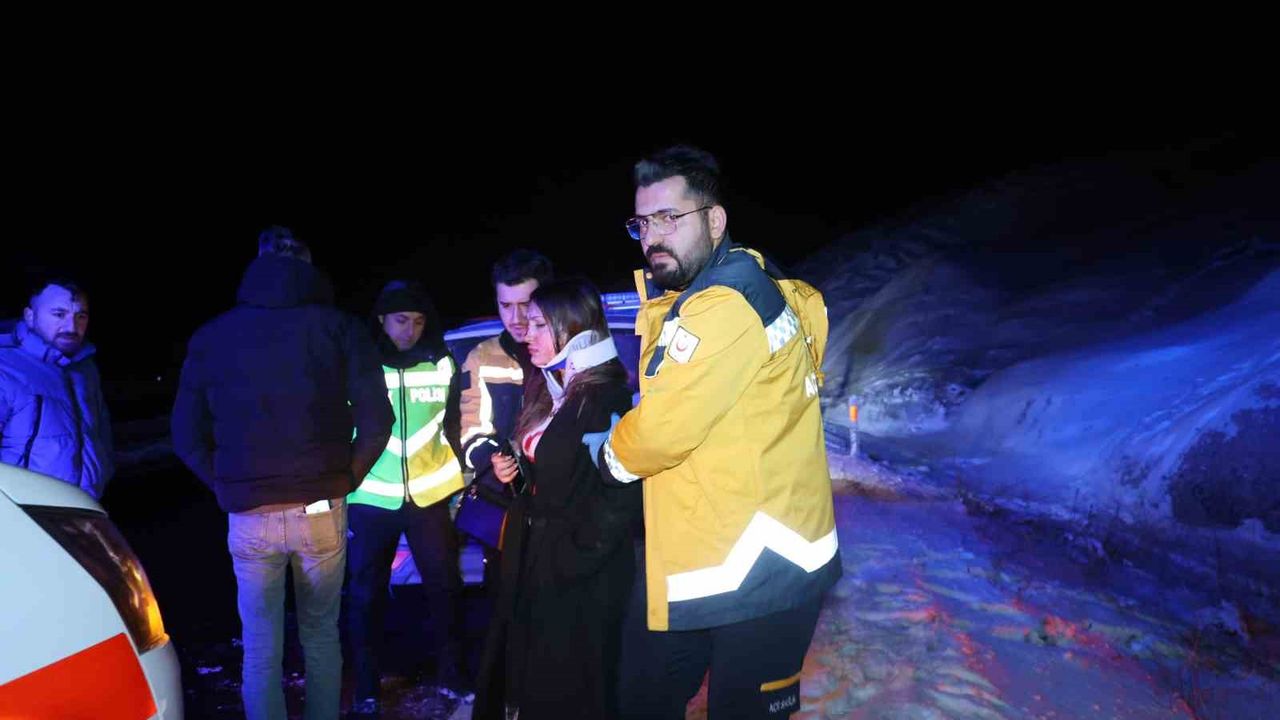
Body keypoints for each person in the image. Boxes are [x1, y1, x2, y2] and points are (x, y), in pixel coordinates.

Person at [591, 146, 841, 718]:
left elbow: (660, 431)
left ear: (714, 220)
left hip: (762, 566)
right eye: (642, 223)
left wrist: (607, 457)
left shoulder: (725, 301)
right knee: (644, 696)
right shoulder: (721, 287)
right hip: (709, 557)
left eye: (669, 218)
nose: (653, 237)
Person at [171, 226, 393, 720]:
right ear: (308, 267)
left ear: (258, 263)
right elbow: (379, 421)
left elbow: (185, 435)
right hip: (321, 507)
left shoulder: (212, 336)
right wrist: (346, 479)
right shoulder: (340, 328)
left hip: (249, 515)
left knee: (259, 645)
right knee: (321, 635)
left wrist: (226, 485)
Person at [474, 278, 640, 720]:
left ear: (574, 329)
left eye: (539, 325)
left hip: (581, 573)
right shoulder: (551, 386)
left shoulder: (606, 396)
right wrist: (514, 471)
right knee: (533, 679)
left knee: (571, 687)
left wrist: (572, 556)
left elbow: (620, 496)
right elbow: (550, 470)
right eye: (526, 324)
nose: (526, 333)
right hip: (536, 559)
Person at [345, 280, 471, 716]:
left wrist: (458, 473)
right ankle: (366, 687)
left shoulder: (441, 362)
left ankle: (454, 677)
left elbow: (451, 423)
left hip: (429, 494)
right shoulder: (360, 365)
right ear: (381, 319)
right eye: (401, 321)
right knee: (365, 596)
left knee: (446, 590)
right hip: (371, 496)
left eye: (418, 321)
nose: (410, 330)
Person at [0, 278, 113, 498]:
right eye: (59, 314)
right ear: (30, 316)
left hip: (85, 505)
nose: (72, 327)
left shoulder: (85, 369)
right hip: (26, 508)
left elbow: (102, 433)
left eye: (81, 316)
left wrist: (105, 471)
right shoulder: (5, 368)